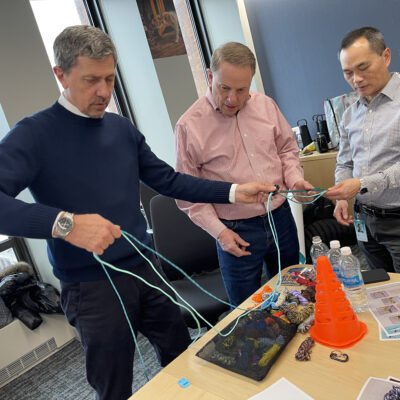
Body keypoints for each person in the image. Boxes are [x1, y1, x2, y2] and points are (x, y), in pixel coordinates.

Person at [0, 26, 277, 400]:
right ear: (61, 75)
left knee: (182, 358)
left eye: (110, 78)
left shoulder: (119, 127)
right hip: (91, 286)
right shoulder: (34, 135)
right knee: (114, 383)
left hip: (146, 267)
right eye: (91, 80)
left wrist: (230, 189)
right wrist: (64, 224)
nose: (104, 91)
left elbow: (167, 180)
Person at [175, 42, 313, 307]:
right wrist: (220, 232)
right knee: (246, 313)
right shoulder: (189, 126)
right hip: (235, 230)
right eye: (224, 88)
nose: (233, 99)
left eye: (242, 90)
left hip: (280, 216)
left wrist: (294, 179)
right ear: (210, 76)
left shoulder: (266, 105)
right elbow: (187, 192)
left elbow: (287, 149)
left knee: (297, 297)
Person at [326, 27, 400, 273]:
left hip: (397, 219)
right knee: (381, 293)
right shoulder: (349, 113)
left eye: (363, 68)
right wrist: (342, 195)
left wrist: (361, 184)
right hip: (364, 221)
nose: (356, 79)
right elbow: (345, 162)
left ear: (386, 56)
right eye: (348, 73)